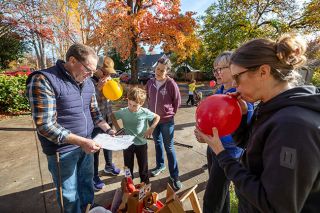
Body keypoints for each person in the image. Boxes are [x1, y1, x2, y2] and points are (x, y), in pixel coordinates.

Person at [195, 34, 320, 212]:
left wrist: (222, 154)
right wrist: (243, 115)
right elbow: (253, 147)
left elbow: (275, 206)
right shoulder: (270, 106)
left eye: (237, 77)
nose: (235, 85)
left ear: (263, 71)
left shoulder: (293, 126)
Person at [26, 44, 114, 213]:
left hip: (86, 146)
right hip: (62, 152)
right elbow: (45, 125)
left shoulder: (87, 82)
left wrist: (108, 130)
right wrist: (81, 141)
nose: (91, 75)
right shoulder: (43, 80)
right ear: (72, 60)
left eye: (94, 71)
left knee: (86, 185)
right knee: (69, 196)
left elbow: (95, 113)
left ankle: (88, 208)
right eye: (89, 69)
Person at [203, 51, 254, 213]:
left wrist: (215, 139)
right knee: (220, 192)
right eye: (215, 69)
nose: (217, 72)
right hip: (213, 149)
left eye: (221, 68)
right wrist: (204, 133)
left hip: (227, 153)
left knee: (212, 199)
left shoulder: (240, 95)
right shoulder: (219, 92)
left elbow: (245, 131)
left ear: (233, 69)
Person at [146, 57, 182, 190]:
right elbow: (148, 99)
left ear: (167, 71)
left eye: (162, 70)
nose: (159, 72)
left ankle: (175, 176)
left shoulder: (171, 84)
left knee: (169, 147)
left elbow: (177, 102)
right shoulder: (150, 82)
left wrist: (170, 113)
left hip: (167, 121)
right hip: (153, 120)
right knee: (157, 144)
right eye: (157, 69)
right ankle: (160, 165)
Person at [111, 87, 160, 184]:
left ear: (141, 104)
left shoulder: (144, 112)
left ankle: (145, 185)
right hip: (127, 143)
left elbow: (157, 117)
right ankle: (129, 184)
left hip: (141, 143)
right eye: (129, 104)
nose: (131, 107)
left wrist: (151, 128)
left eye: (134, 106)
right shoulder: (124, 111)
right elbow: (112, 116)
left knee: (143, 167)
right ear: (127, 100)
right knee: (128, 167)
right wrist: (118, 129)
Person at [91, 56, 121, 191]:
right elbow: (87, 103)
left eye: (109, 72)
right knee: (95, 150)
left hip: (107, 118)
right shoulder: (89, 81)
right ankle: (94, 175)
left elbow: (113, 96)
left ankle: (109, 166)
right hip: (95, 122)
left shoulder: (109, 80)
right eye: (105, 72)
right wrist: (98, 88)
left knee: (109, 143)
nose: (107, 75)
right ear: (97, 69)